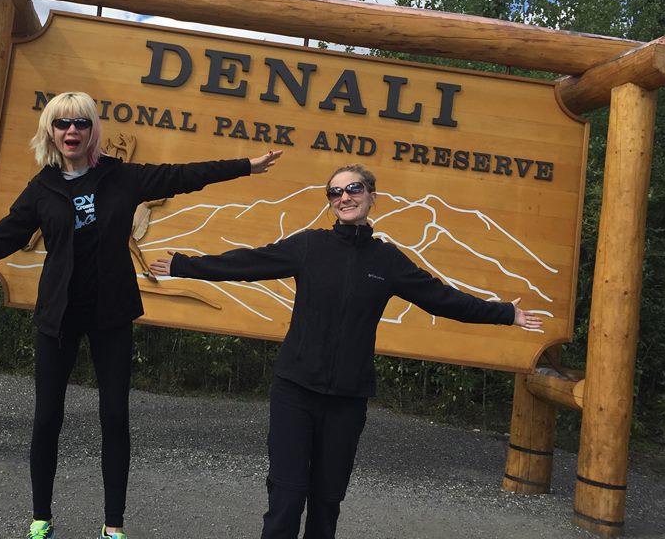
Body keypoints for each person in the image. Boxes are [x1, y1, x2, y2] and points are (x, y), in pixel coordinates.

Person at [0, 91, 281, 539]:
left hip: (111, 314)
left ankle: (113, 525)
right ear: (51, 131)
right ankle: (41, 518)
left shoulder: (121, 178)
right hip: (59, 317)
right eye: (62, 123)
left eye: (81, 123)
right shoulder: (42, 189)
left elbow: (184, 175)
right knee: (47, 416)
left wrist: (247, 165)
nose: (72, 131)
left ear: (93, 131)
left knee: (115, 417)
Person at [149, 163, 543, 539]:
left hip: (347, 398)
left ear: (372, 196)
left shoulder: (387, 261)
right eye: (335, 192)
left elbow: (443, 299)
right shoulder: (309, 246)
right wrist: (186, 266)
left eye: (353, 188)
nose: (344, 197)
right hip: (295, 390)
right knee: (286, 498)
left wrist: (506, 313)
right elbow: (250, 263)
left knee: (327, 501)